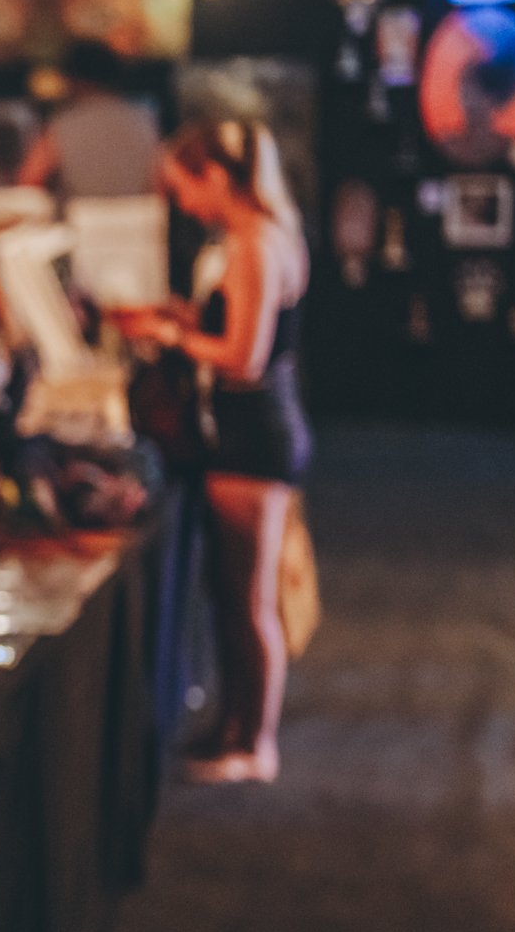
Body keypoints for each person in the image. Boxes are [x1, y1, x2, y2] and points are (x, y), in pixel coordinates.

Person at [122, 120, 312, 784]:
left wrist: (168, 337)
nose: (182, 203)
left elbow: (242, 357)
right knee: (232, 595)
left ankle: (256, 744)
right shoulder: (256, 236)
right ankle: (235, 726)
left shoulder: (257, 243)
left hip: (251, 434)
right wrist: (175, 316)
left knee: (250, 599)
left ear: (216, 178)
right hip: (243, 432)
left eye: (183, 188)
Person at [17, 41, 161, 201]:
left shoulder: (62, 125)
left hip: (80, 221)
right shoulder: (144, 121)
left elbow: (29, 182)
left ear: (75, 80)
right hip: (142, 220)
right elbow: (158, 184)